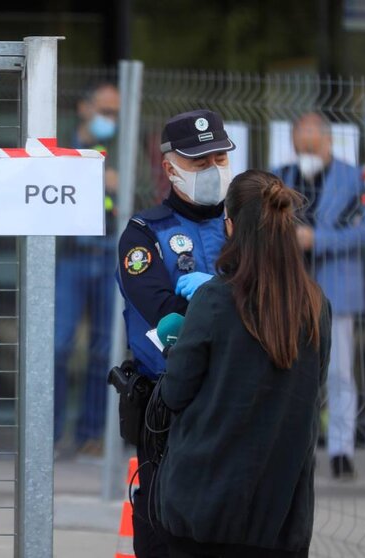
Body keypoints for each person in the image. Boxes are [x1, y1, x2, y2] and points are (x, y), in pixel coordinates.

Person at [155, 170, 331, 558]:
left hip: (206, 513)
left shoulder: (215, 300)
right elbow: (311, 387)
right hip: (283, 518)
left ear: (230, 226)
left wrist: (175, 343)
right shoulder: (315, 306)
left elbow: (175, 392)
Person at [117, 109, 235, 557]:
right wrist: (236, 294)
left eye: (219, 159)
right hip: (168, 406)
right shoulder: (144, 234)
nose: (212, 170)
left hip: (234, 396)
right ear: (170, 168)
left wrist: (219, 291)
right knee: (164, 527)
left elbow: (276, 296)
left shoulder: (244, 224)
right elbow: (163, 311)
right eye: (199, 162)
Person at [274, 112, 365, 480]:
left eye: (313, 144)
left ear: (328, 142)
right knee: (290, 371)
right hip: (289, 292)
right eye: (300, 144)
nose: (306, 150)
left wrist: (319, 240)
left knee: (339, 373)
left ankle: (340, 450)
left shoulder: (355, 178)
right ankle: (295, 449)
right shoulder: (281, 177)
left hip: (337, 290)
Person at [54, 82, 120, 457]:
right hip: (72, 255)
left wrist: (122, 185)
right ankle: (48, 432)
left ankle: (92, 434)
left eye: (114, 113)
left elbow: (147, 188)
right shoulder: (60, 142)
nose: (109, 119)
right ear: (84, 107)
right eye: (104, 110)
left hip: (109, 252)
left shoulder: (123, 147)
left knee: (103, 348)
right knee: (59, 345)